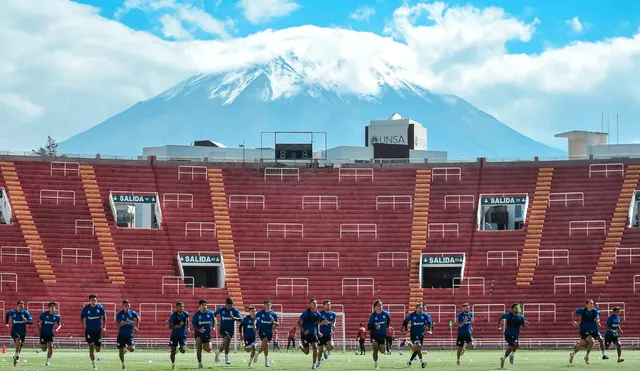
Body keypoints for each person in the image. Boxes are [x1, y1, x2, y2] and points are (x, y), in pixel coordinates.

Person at [570, 299, 600, 364]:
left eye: (592, 304)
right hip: (584, 330)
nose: (592, 305)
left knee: (584, 343)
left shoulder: (594, 311)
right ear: (586, 305)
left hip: (591, 330)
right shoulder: (582, 310)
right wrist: (573, 321)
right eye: (590, 303)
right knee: (588, 342)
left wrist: (597, 321)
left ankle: (574, 354)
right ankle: (586, 356)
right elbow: (573, 313)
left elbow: (597, 317)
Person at [402, 303, 432, 368]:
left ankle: (409, 361)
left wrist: (430, 329)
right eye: (419, 308)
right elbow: (405, 321)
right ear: (416, 308)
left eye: (421, 308)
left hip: (421, 335)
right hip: (414, 334)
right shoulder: (412, 315)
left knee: (416, 350)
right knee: (418, 346)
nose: (421, 309)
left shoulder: (425, 315)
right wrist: (405, 327)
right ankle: (422, 362)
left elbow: (429, 322)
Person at [81, 293, 106, 370]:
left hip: (97, 331)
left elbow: (104, 317)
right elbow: (81, 317)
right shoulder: (86, 309)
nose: (94, 301)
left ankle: (96, 345)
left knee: (98, 349)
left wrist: (104, 326)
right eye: (92, 300)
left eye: (95, 300)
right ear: (89, 301)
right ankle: (94, 364)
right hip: (89, 331)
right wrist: (83, 324)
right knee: (91, 346)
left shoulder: (100, 307)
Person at [214, 297, 243, 364]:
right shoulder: (221, 309)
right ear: (225, 304)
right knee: (227, 338)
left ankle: (218, 353)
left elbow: (241, 319)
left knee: (225, 344)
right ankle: (227, 359)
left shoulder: (234, 310)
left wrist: (234, 318)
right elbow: (214, 314)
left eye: (231, 306)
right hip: (222, 329)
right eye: (228, 306)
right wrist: (214, 321)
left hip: (230, 331)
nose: (230, 307)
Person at [498, 304, 528, 369]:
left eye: (518, 307)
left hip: (515, 335)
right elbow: (500, 318)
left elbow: (524, 326)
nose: (517, 309)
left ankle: (503, 358)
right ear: (512, 309)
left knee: (510, 348)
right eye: (515, 307)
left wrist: (525, 323)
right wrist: (499, 326)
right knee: (516, 345)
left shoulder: (521, 317)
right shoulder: (508, 315)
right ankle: (512, 355)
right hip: (508, 334)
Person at [5, 300, 33, 367]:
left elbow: (31, 322)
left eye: (22, 306)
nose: (21, 307)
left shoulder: (25, 313)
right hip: (14, 332)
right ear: (17, 306)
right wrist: (7, 323)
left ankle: (16, 357)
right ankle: (16, 354)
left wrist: (26, 321)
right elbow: (7, 314)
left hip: (22, 333)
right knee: (18, 340)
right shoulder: (12, 312)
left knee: (20, 344)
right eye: (20, 306)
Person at [116, 300, 140, 370]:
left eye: (128, 305)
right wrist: (125, 322)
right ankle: (123, 364)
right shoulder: (120, 314)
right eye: (126, 305)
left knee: (132, 349)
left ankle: (125, 348)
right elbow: (118, 325)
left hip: (130, 335)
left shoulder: (132, 313)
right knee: (120, 351)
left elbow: (138, 318)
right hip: (121, 335)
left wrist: (136, 326)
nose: (127, 307)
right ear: (123, 306)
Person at [254, 299, 279, 367]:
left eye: (269, 304)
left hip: (269, 332)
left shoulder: (274, 314)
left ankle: (262, 358)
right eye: (267, 304)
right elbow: (254, 317)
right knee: (265, 342)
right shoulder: (261, 313)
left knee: (266, 346)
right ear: (264, 305)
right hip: (262, 331)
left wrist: (274, 322)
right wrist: (254, 325)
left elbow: (277, 324)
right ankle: (261, 358)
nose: (268, 306)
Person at [192, 299, 215, 369]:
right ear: (199, 306)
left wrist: (213, 327)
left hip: (207, 334)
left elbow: (213, 320)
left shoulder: (210, 313)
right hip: (198, 334)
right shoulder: (196, 315)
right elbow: (194, 326)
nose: (205, 306)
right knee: (199, 348)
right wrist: (199, 330)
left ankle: (206, 347)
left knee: (208, 349)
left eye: (206, 305)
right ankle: (200, 363)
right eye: (203, 305)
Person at [298, 298, 322, 369]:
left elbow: (317, 324)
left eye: (316, 303)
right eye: (313, 303)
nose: (315, 304)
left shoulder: (318, 314)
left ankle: (314, 365)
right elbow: (298, 322)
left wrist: (318, 332)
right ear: (310, 304)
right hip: (305, 334)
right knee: (306, 352)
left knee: (315, 347)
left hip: (313, 334)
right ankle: (300, 346)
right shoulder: (306, 313)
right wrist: (304, 331)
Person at [368, 300, 391, 369]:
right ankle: (376, 364)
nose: (380, 306)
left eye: (381, 305)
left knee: (382, 351)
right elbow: (369, 327)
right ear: (375, 307)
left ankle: (378, 347)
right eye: (378, 305)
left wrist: (387, 326)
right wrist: (375, 327)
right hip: (374, 335)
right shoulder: (372, 316)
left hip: (382, 336)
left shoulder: (386, 314)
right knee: (375, 349)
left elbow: (388, 320)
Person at [39, 302, 62, 366]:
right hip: (43, 333)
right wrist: (40, 326)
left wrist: (57, 328)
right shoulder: (44, 314)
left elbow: (60, 324)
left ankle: (47, 361)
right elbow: (40, 322)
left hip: (50, 333)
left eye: (54, 306)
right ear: (49, 308)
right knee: (44, 349)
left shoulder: (56, 316)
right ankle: (42, 346)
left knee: (51, 347)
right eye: (51, 306)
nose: (53, 308)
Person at [168, 302, 190, 370]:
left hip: (182, 335)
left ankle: (179, 349)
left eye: (183, 306)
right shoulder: (173, 316)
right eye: (180, 306)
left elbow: (187, 319)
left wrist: (188, 327)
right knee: (172, 351)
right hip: (174, 336)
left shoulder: (186, 314)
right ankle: (173, 365)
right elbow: (170, 327)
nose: (182, 308)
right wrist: (177, 326)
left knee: (183, 350)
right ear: (176, 307)